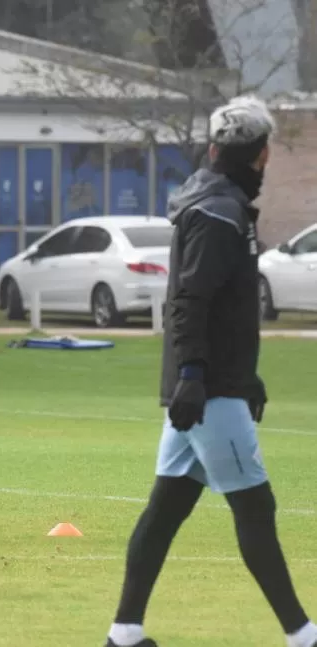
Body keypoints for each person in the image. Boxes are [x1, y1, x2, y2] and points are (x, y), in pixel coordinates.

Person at [105, 95, 315, 646]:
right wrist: (197, 375)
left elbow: (217, 306)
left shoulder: (218, 202)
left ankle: (124, 633)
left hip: (214, 383)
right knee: (256, 506)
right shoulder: (220, 213)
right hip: (208, 391)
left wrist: (245, 377)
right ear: (260, 155)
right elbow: (189, 302)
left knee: (166, 508)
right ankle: (302, 635)